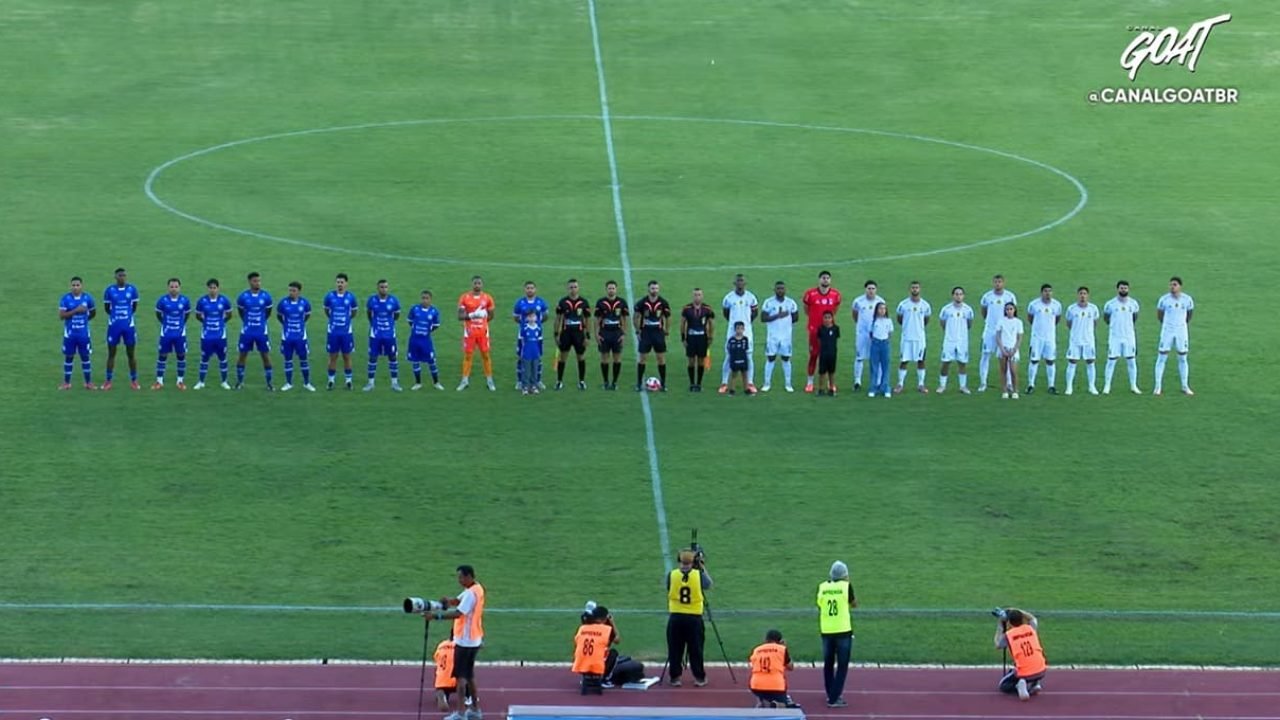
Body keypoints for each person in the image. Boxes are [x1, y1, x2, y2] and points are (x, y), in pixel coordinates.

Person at [434, 565, 486, 720]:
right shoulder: (477, 588)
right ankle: (475, 710)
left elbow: (458, 613)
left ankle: (461, 713)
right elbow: (458, 601)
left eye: (461, 577)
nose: (459, 580)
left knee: (461, 679)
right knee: (470, 676)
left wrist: (436, 616)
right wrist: (448, 601)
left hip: (465, 641)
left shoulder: (471, 593)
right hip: (474, 639)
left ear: (469, 576)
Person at [666, 549, 712, 687]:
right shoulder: (698, 575)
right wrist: (702, 567)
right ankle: (699, 677)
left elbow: (668, 587)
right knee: (696, 649)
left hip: (676, 616)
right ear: (693, 562)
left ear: (679, 561)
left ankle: (675, 677)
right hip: (694, 617)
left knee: (675, 649)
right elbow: (708, 585)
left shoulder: (672, 575)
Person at [817, 560, 857, 708]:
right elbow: (854, 604)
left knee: (828, 664)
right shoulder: (846, 587)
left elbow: (820, 603)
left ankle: (830, 693)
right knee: (842, 665)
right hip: (843, 631)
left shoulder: (822, 587)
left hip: (827, 630)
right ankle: (834, 697)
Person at [801, 271, 842, 392]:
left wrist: (829, 323)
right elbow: (806, 309)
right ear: (819, 280)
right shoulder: (810, 294)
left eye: (828, 278)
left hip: (829, 330)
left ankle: (830, 383)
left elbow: (835, 309)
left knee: (830, 356)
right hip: (814, 329)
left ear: (830, 280)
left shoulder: (835, 295)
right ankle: (810, 382)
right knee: (814, 355)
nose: (825, 280)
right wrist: (814, 321)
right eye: (823, 278)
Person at [1154, 276, 1195, 396]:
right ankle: (1157, 387)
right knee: (1162, 357)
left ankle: (1185, 386)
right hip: (1167, 331)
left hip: (1181, 331)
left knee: (1182, 357)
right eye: (1171, 284)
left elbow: (1189, 314)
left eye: (1175, 284)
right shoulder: (1164, 300)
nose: (1172, 287)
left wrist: (1181, 324)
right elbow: (1160, 315)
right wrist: (1168, 325)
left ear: (1180, 286)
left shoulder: (1187, 299)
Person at [995, 608, 1046, 701]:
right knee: (1028, 662)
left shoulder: (1009, 635)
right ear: (1022, 619)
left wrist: (1000, 626)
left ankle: (1022, 686)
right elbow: (1032, 618)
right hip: (1041, 669)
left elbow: (998, 644)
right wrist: (1015, 609)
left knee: (1004, 685)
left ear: (1009, 622)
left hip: (1024, 672)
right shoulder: (1030, 628)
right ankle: (1035, 683)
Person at [102, 267, 141, 390]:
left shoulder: (132, 290)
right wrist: (116, 318)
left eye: (124, 275)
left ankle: (134, 380)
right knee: (111, 353)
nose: (122, 277)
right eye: (120, 275)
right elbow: (107, 308)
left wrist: (126, 317)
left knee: (131, 354)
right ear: (115, 277)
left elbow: (134, 307)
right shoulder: (109, 291)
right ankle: (108, 381)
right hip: (114, 326)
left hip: (129, 327)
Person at [719, 274, 758, 393]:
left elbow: (755, 313)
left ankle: (750, 383)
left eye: (742, 281)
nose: (740, 283)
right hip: (732, 331)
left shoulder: (751, 297)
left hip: (747, 332)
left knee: (748, 356)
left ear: (745, 283)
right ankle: (724, 383)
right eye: (738, 281)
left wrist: (746, 324)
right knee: (729, 356)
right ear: (734, 283)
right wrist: (734, 326)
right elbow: (726, 313)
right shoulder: (728, 298)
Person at [457, 275, 497, 392]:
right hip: (469, 333)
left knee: (485, 355)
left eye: (479, 283)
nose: (477, 285)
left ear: (482, 284)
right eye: (475, 283)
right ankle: (464, 380)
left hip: (483, 333)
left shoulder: (487, 298)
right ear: (472, 284)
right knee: (468, 356)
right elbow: (460, 316)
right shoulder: (464, 297)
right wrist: (472, 316)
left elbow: (491, 315)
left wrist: (482, 322)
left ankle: (489, 381)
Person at [235, 271, 274, 391]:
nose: (258, 283)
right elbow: (241, 312)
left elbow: (267, 313)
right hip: (247, 332)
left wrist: (260, 323)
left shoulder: (266, 296)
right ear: (250, 282)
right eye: (255, 281)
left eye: (259, 281)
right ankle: (239, 382)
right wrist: (248, 323)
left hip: (261, 332)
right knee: (242, 355)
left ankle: (269, 383)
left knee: (265, 356)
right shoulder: (243, 297)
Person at [978, 274, 1017, 393]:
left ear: (1003, 283)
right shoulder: (987, 297)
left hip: (1004, 332)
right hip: (990, 330)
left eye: (1000, 282)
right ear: (993, 283)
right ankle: (983, 383)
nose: (997, 284)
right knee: (985, 355)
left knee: (1007, 356)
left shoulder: (1010, 296)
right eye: (995, 282)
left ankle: (1009, 383)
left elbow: (1013, 312)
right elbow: (984, 311)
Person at [1102, 280, 1142, 395]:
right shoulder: (1110, 304)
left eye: (1125, 288)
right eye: (1121, 288)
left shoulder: (1133, 304)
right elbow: (1106, 318)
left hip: (1129, 336)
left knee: (1131, 360)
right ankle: (1107, 386)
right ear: (1117, 289)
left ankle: (1134, 386)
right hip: (1115, 336)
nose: (1123, 290)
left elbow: (1134, 317)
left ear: (1128, 289)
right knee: (1111, 361)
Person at [58, 276, 97, 390]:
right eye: (73, 285)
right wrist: (76, 310)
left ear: (82, 286)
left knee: (85, 357)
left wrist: (85, 320)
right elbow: (61, 316)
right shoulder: (65, 298)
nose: (75, 287)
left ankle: (88, 383)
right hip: (70, 334)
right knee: (69, 357)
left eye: (77, 285)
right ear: (70, 286)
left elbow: (93, 312)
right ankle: (66, 383)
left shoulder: (88, 298)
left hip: (83, 334)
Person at [152, 278, 191, 390]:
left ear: (179, 288)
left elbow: (187, 315)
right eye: (172, 287)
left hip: (180, 334)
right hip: (166, 334)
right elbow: (158, 314)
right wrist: (165, 323)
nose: (174, 289)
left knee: (181, 356)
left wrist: (181, 325)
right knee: (162, 356)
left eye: (176, 286)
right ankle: (159, 381)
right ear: (168, 288)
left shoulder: (185, 301)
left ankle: (180, 381)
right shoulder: (162, 301)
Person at [275, 281, 315, 392]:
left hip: (301, 337)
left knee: (304, 360)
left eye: (294, 290)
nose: (291, 292)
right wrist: (287, 326)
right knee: (288, 360)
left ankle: (307, 383)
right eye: (290, 290)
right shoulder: (283, 303)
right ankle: (288, 383)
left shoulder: (305, 303)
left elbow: (307, 316)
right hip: (287, 337)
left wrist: (300, 325)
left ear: (299, 292)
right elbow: (279, 316)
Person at [194, 279, 233, 390]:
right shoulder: (202, 301)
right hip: (206, 336)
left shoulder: (224, 301)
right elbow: (198, 316)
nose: (212, 290)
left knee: (222, 358)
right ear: (207, 289)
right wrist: (206, 323)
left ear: (218, 288)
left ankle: (224, 382)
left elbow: (229, 314)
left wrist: (221, 322)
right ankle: (201, 382)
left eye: (214, 287)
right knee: (204, 358)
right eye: (210, 288)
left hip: (220, 336)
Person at [759, 280, 798, 393]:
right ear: (774, 290)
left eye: (782, 288)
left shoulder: (791, 303)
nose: (780, 290)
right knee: (771, 358)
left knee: (786, 359)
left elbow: (795, 317)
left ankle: (788, 384)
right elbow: (763, 318)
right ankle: (767, 384)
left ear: (785, 290)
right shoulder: (768, 302)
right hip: (772, 336)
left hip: (786, 337)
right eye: (778, 288)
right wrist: (778, 316)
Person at [364, 279, 403, 392]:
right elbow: (369, 314)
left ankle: (394, 383)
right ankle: (370, 383)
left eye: (385, 287)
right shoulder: (372, 300)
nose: (384, 289)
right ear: (378, 288)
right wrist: (374, 325)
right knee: (372, 357)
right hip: (375, 334)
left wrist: (389, 325)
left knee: (392, 356)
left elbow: (396, 315)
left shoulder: (393, 301)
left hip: (389, 334)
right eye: (381, 287)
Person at [894, 281, 932, 394]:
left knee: (921, 360)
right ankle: (900, 384)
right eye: (913, 288)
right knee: (904, 360)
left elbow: (926, 320)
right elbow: (899, 319)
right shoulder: (903, 305)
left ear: (920, 289)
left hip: (920, 338)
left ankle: (921, 384)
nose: (915, 289)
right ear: (909, 289)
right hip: (906, 337)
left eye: (916, 287)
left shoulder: (925, 305)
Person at [324, 272, 359, 391]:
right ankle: (331, 381)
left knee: (346, 356)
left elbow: (354, 312)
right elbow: (327, 311)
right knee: (333, 356)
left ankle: (348, 381)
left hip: (346, 333)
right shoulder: (329, 296)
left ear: (346, 284)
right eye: (338, 282)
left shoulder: (351, 297)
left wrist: (346, 321)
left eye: (342, 282)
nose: (340, 284)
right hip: (333, 332)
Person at [553, 279, 591, 391]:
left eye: (575, 287)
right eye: (571, 287)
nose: (573, 289)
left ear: (578, 288)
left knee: (581, 357)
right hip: (566, 334)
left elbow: (587, 320)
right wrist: (556, 334)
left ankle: (581, 381)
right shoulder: (562, 302)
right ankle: (559, 381)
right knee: (563, 357)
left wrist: (587, 336)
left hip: (579, 335)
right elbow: (558, 319)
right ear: (567, 288)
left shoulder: (584, 302)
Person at [634, 280, 671, 391]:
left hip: (658, 333)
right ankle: (639, 383)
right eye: (652, 288)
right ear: (648, 289)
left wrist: (666, 331)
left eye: (656, 288)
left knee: (661, 359)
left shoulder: (663, 303)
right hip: (646, 333)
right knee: (642, 359)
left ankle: (663, 384)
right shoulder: (642, 303)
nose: (654, 290)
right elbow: (636, 317)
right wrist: (637, 331)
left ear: (658, 289)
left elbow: (668, 317)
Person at [572, 604, 619, 693]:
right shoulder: (605, 629)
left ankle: (585, 678)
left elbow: (577, 642)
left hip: (581, 664)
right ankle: (604, 679)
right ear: (605, 618)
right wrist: (612, 622)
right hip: (597, 666)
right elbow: (617, 640)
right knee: (613, 653)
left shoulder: (583, 628)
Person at [1025, 284, 1062, 395]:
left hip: (1050, 338)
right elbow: (1030, 318)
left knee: (1050, 361)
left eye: (1050, 291)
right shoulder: (1034, 304)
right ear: (1041, 292)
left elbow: (1057, 319)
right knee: (1034, 360)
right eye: (1045, 291)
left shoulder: (1057, 305)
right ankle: (1031, 385)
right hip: (1037, 338)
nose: (1048, 293)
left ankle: (1051, 385)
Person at [748, 629, 800, 709]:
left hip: (755, 685)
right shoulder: (781, 649)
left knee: (762, 695)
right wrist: (784, 647)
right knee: (784, 706)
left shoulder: (756, 650)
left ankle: (762, 703)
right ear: (780, 640)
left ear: (765, 639)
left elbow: (752, 664)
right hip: (776, 685)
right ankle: (776, 705)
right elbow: (790, 667)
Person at [512, 281, 549, 391]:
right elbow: (516, 317)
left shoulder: (540, 302)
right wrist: (524, 325)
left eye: (532, 288)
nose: (530, 290)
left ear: (535, 289)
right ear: (525, 290)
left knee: (538, 357)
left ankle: (537, 380)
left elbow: (546, 315)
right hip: (523, 335)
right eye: (528, 288)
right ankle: (520, 381)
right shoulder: (520, 303)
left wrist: (538, 323)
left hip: (537, 334)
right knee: (521, 357)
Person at [937, 286, 974, 394]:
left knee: (962, 363)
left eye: (960, 294)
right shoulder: (946, 309)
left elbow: (969, 324)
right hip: (949, 340)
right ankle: (942, 385)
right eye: (956, 294)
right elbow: (942, 323)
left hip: (962, 341)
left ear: (963, 296)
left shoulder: (968, 310)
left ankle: (963, 386)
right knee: (946, 362)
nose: (958, 296)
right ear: (953, 295)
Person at [1064, 286, 1100, 396]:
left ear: (1088, 295)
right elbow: (1069, 323)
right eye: (1080, 293)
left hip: (1089, 340)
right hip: (1075, 340)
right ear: (1077, 295)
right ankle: (1069, 387)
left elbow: (1095, 322)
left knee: (1090, 362)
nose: (1082, 296)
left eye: (1084, 293)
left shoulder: (1093, 308)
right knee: (1072, 362)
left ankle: (1091, 386)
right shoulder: (1071, 309)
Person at [594, 280, 629, 390]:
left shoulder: (622, 302)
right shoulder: (600, 302)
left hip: (617, 334)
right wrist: (596, 334)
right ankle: (605, 381)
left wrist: (624, 334)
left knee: (617, 358)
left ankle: (614, 382)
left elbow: (624, 319)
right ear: (606, 289)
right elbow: (597, 319)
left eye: (613, 288)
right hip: (605, 333)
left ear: (616, 289)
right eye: (609, 288)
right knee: (604, 358)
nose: (611, 290)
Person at [408, 290, 445, 391]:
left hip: (426, 341)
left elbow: (436, 325)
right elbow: (410, 321)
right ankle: (418, 383)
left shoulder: (434, 311)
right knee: (415, 361)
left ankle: (436, 382)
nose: (424, 300)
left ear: (430, 300)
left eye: (427, 298)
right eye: (423, 298)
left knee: (431, 361)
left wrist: (427, 331)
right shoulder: (415, 309)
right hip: (414, 340)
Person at [849, 280, 882, 391]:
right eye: (869, 288)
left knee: (877, 358)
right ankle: (857, 381)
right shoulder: (858, 301)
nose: (871, 291)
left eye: (873, 289)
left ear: (876, 290)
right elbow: (855, 315)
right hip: (862, 334)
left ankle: (878, 382)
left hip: (876, 334)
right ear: (865, 289)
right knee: (859, 357)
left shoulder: (880, 302)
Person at [680, 288, 715, 392]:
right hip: (691, 337)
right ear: (692, 296)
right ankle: (692, 383)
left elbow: (711, 323)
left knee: (701, 361)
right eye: (695, 295)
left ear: (702, 296)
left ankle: (699, 384)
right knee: (691, 361)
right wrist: (683, 338)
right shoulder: (686, 308)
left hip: (702, 337)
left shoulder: (707, 309)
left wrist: (710, 337)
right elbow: (682, 324)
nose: (697, 297)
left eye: (699, 295)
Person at [996, 302, 1024, 399]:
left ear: (1014, 310)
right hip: (1003, 349)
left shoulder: (1018, 322)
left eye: (1011, 309)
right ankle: (1004, 391)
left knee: (1013, 371)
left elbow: (1020, 337)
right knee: (1003, 370)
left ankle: (1015, 391)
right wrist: (1002, 349)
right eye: (1007, 309)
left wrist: (1015, 349)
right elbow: (998, 336)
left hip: (1013, 349)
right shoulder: (1001, 321)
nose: (1009, 311)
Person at [868, 302, 893, 398]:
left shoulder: (888, 321)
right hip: (875, 344)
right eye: (880, 308)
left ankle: (885, 387)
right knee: (874, 367)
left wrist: (885, 341)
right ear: (876, 310)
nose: (882, 310)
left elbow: (890, 333)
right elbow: (871, 333)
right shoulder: (873, 321)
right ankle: (873, 388)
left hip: (885, 344)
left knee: (885, 366)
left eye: (884, 308)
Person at [518, 310, 543, 395]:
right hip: (527, 353)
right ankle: (525, 387)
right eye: (530, 316)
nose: (532, 318)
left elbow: (540, 341)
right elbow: (521, 341)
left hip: (535, 353)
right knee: (526, 371)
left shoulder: (538, 328)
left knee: (534, 370)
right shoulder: (524, 329)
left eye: (533, 316)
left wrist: (540, 352)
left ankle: (533, 386)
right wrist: (521, 352)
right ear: (527, 318)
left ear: (536, 318)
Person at [815, 311, 840, 397]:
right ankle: (821, 389)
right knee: (822, 372)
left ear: (832, 319)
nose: (827, 319)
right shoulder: (820, 329)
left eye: (829, 318)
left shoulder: (836, 328)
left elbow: (836, 338)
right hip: (823, 353)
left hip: (832, 354)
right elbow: (818, 339)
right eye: (825, 318)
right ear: (823, 319)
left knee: (831, 372)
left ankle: (831, 388)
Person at [725, 321, 752, 395]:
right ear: (735, 329)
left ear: (743, 329)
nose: (739, 330)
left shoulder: (745, 339)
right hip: (734, 359)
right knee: (734, 375)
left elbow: (746, 349)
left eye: (741, 329)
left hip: (743, 359)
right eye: (737, 328)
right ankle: (732, 390)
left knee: (745, 374)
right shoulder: (731, 340)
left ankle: (746, 389)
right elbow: (729, 349)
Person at [433, 634, 457, 712]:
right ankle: (468, 696)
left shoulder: (442, 644)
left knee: (441, 672)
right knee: (468, 674)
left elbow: (436, 658)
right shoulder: (461, 646)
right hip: (456, 681)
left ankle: (443, 695)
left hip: (441, 681)